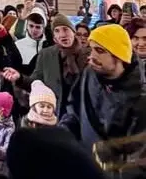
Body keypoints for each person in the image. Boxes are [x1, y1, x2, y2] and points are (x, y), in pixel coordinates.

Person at [60, 24, 146, 178]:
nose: (91, 56)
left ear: (118, 56)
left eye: (99, 51)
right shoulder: (88, 75)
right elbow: (74, 110)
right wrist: (63, 134)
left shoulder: (141, 99)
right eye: (91, 49)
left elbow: (138, 161)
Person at [2, 14, 89, 118]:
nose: (62, 35)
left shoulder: (88, 55)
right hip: (53, 114)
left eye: (65, 29)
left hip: (82, 113)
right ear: (54, 37)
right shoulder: (46, 54)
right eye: (57, 31)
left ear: (73, 32)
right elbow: (35, 82)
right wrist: (19, 78)